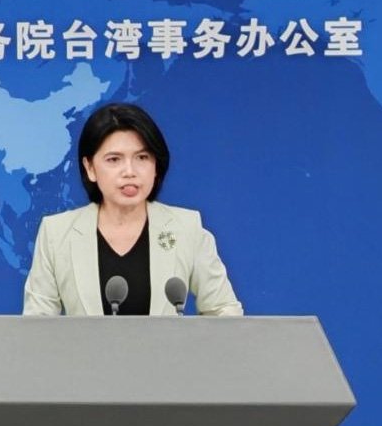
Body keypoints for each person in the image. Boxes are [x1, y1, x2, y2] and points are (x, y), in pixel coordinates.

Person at [23, 103, 243, 316]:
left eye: (142, 157)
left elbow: (224, 311)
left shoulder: (186, 228)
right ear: (90, 168)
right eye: (114, 159)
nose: (130, 171)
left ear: (156, 166)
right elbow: (36, 325)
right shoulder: (56, 233)